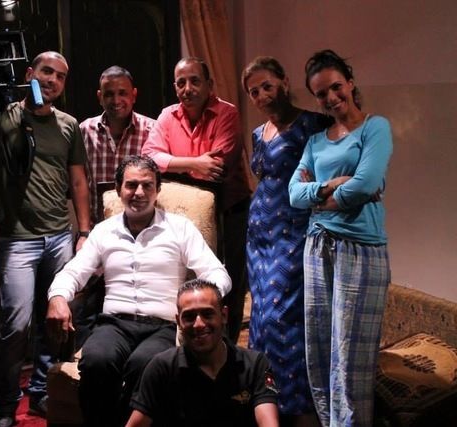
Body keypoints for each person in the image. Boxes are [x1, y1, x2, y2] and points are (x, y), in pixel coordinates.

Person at [46, 155, 231, 427]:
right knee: (97, 359)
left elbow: (217, 274)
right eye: (131, 185)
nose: (139, 193)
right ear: (119, 189)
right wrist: (57, 297)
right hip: (114, 324)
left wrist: (201, 299)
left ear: (158, 190)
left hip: (162, 326)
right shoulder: (104, 231)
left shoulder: (179, 228)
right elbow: (74, 272)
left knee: (145, 364)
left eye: (147, 185)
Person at [0, 51, 91, 426]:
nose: (52, 80)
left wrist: (84, 232)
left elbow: (78, 181)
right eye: (47, 71)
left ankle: (42, 393)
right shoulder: (3, 116)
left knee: (55, 322)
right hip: (17, 241)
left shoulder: (68, 125)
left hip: (59, 238)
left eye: (60, 76)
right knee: (15, 326)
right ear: (30, 73)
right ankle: (6, 405)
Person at [288, 49, 393, 426]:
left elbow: (365, 184)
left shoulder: (375, 128)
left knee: (350, 361)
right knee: (319, 352)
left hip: (360, 250)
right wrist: (331, 186)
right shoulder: (316, 141)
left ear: (350, 83)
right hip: (317, 248)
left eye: (336, 87)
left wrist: (319, 198)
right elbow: (293, 194)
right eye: (321, 94)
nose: (331, 98)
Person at [241, 56, 331, 426]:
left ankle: (301, 410)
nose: (262, 95)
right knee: (261, 318)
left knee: (286, 319)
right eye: (254, 91)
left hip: (293, 234)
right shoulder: (257, 134)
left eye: (267, 86)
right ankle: (267, 404)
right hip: (259, 237)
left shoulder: (313, 125)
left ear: (284, 82)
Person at [141, 57, 251, 341]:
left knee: (228, 284)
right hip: (182, 215)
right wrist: (195, 163)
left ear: (209, 84)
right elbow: (149, 156)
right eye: (181, 83)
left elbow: (217, 166)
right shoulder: (167, 116)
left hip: (229, 213)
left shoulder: (227, 113)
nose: (187, 88)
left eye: (194, 81)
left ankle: (226, 347)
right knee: (187, 280)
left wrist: (173, 165)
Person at [126, 279, 280, 427]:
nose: (198, 324)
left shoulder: (254, 365)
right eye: (189, 317)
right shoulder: (162, 368)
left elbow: (268, 421)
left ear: (224, 315)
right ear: (178, 321)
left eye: (207, 314)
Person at [80, 65, 155, 223]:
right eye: (109, 94)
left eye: (122, 93)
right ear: (100, 97)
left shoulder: (152, 130)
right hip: (97, 227)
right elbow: (78, 184)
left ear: (134, 95)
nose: (116, 100)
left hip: (143, 226)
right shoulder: (84, 131)